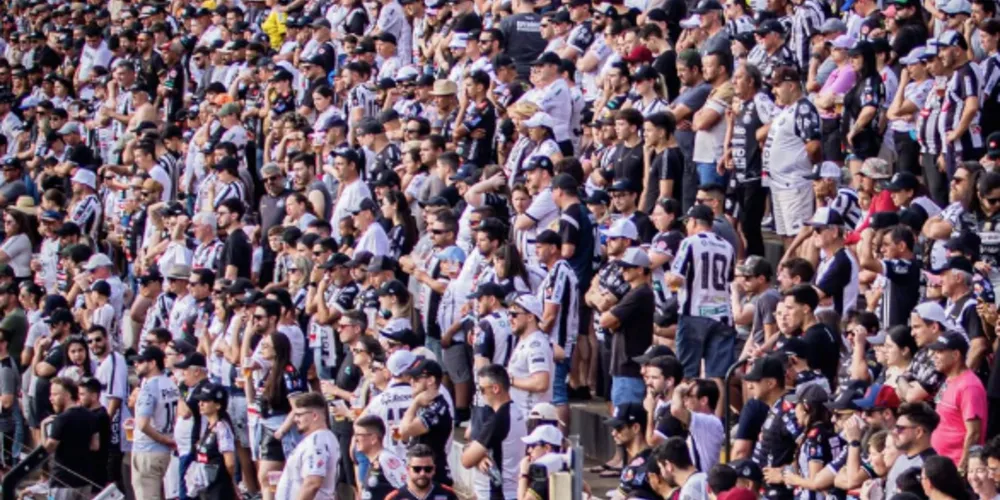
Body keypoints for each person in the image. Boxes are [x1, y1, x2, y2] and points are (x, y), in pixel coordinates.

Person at [667, 204, 736, 385]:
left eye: (687, 222)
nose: (686, 227)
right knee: (717, 376)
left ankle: (687, 404)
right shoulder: (727, 246)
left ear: (694, 221)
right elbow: (730, 278)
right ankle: (717, 405)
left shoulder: (690, 242)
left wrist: (668, 278)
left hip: (694, 313)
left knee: (687, 373)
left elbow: (676, 278)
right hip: (722, 314)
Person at [461, 364, 528, 500]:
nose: (481, 394)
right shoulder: (516, 411)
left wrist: (471, 452)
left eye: (482, 390)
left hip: (500, 494)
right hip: (514, 490)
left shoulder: (497, 421)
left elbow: (466, 460)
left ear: (495, 388)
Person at [928, 332, 987, 470]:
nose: (934, 356)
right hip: (940, 463)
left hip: (954, 466)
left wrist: (962, 468)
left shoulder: (969, 386)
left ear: (955, 355)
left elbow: (974, 433)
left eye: (940, 352)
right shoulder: (949, 379)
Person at [130, 346, 180, 500]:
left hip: (147, 450)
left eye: (141, 362)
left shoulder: (149, 388)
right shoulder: (171, 384)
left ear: (152, 363)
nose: (136, 365)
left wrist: (164, 439)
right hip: (163, 451)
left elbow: (143, 425)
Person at [276, 392, 340, 500]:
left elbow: (312, 483)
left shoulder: (316, 442)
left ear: (314, 416)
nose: (295, 419)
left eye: (299, 415)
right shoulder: (322, 438)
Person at [45, 377, 100, 500]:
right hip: (85, 480)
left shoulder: (61, 419)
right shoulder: (91, 416)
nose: (50, 398)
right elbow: (95, 446)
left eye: (55, 394)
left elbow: (48, 448)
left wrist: (43, 426)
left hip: (62, 481)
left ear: (67, 395)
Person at [886, 402, 940, 498]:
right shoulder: (901, 458)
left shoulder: (930, 468)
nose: (894, 432)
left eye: (900, 428)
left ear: (918, 432)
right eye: (895, 427)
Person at [354, 414, 407, 499]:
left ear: (373, 439)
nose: (355, 439)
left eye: (358, 435)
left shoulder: (386, 459)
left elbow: (409, 489)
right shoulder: (374, 461)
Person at [387, 444, 460, 500]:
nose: (422, 473)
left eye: (428, 469)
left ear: (434, 469)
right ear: (408, 469)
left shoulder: (447, 494)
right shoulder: (394, 497)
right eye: (417, 469)